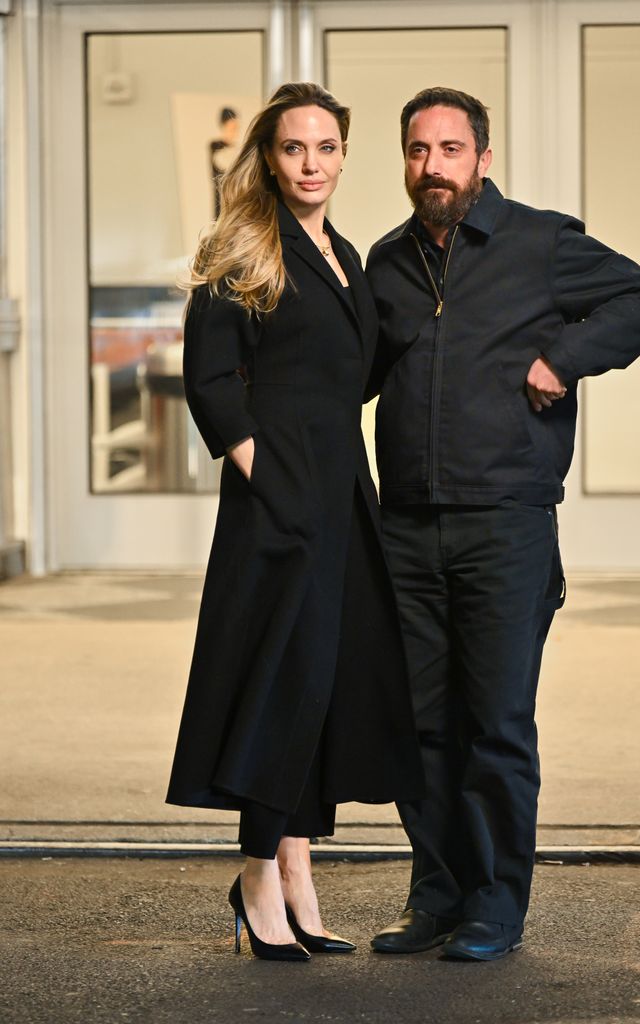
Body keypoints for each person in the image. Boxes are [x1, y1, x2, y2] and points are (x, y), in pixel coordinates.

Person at [366, 87, 640, 961]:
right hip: (407, 525)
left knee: (496, 722)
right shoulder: (387, 262)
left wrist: (564, 358)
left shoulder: (540, 242)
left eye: (451, 150)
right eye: (419, 150)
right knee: (420, 723)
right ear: (406, 160)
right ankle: (436, 894)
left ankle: (496, 906)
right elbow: (346, 368)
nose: (434, 166)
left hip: (504, 522)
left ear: (482, 160)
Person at [167, 82, 423, 962]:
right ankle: (254, 879)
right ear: (268, 159)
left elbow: (346, 375)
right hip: (278, 504)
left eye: (325, 148)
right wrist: (270, 483)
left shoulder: (345, 252)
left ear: (344, 156)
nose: (310, 164)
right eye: (292, 149)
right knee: (280, 686)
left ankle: (298, 873)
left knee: (322, 686)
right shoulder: (245, 245)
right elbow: (209, 379)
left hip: (342, 493)